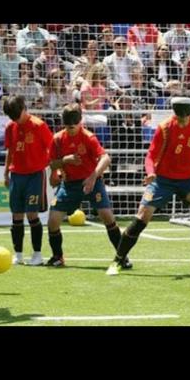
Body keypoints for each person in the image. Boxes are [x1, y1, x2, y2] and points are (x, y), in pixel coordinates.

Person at [106, 97, 190, 275]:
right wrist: (150, 172)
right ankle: (118, 260)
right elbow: (150, 155)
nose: (181, 120)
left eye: (184, 117)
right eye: (178, 117)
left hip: (188, 180)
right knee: (141, 218)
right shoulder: (164, 128)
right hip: (162, 180)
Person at [45, 104, 128, 267]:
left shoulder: (88, 137)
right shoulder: (57, 139)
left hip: (92, 182)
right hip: (69, 185)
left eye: (74, 126)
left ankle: (122, 257)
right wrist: (64, 162)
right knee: (53, 220)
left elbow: (105, 158)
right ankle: (57, 257)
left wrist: (92, 176)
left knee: (107, 216)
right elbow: (51, 164)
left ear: (80, 121)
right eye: (68, 126)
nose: (71, 129)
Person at [2, 95, 54, 266]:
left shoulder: (39, 126)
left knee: (32, 214)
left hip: (35, 175)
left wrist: (54, 170)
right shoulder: (10, 127)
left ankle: (37, 254)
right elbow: (10, 151)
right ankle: (18, 254)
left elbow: (52, 149)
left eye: (18, 116)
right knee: (16, 215)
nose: (16, 120)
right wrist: (6, 173)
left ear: (25, 108)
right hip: (16, 175)